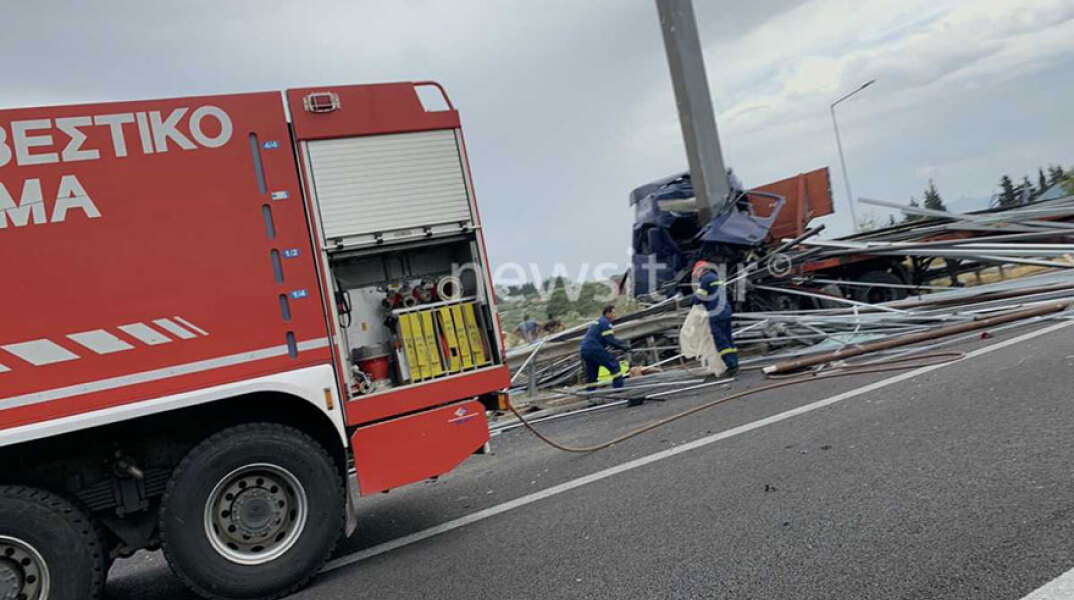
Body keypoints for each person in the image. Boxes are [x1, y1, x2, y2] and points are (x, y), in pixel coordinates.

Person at [692, 255, 739, 377]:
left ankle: (731, 365)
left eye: (696, 273)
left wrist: (693, 298)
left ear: (700, 270)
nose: (696, 276)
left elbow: (699, 298)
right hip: (726, 311)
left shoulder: (706, 279)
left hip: (716, 314)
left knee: (721, 341)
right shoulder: (716, 277)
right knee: (728, 338)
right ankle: (735, 362)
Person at [579, 305, 628, 391]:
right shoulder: (606, 323)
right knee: (615, 366)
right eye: (613, 313)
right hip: (595, 349)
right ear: (608, 313)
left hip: (585, 350)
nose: (615, 315)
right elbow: (610, 339)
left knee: (592, 373)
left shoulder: (597, 322)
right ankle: (619, 390)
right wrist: (623, 347)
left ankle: (590, 396)